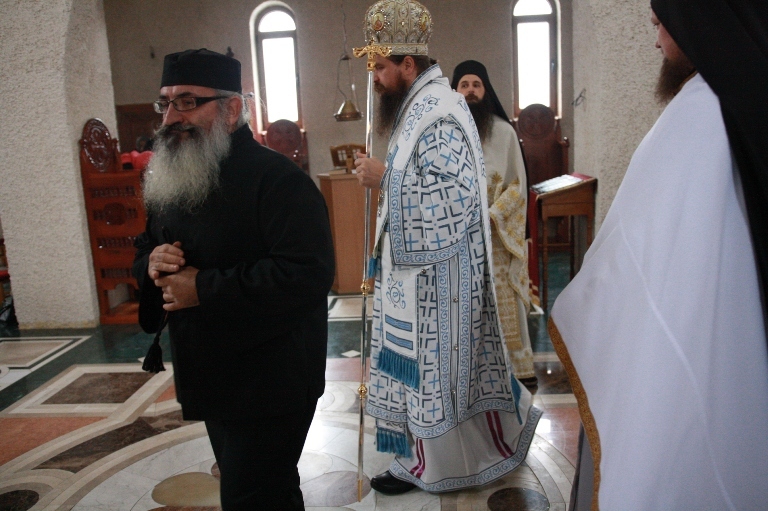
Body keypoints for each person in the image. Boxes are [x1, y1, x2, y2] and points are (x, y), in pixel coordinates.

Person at [550, 2, 768, 509]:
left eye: (659, 26)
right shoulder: (750, 94)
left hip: (695, 339)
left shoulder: (701, 110)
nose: (656, 42)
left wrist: (584, 297)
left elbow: (635, 246)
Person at [132, 48, 335, 511]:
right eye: (166, 102)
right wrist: (152, 263)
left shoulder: (278, 180)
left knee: (251, 497)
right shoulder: (174, 174)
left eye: (188, 102)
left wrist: (201, 288)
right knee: (264, 492)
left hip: (271, 379)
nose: (171, 116)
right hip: (211, 372)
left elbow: (307, 273)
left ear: (231, 108)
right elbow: (145, 246)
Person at [353, 0, 541, 496]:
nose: (375, 78)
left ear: (407, 64)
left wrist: (386, 178)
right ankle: (413, 458)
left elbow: (455, 200)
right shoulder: (418, 107)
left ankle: (436, 467)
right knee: (411, 375)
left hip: (439, 279)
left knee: (433, 379)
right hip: (411, 275)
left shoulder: (441, 110)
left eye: (380, 67)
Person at [451, 60, 537, 387]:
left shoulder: (504, 132)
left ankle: (515, 370)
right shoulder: (445, 133)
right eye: (464, 85)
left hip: (497, 238)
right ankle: (468, 372)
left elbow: (517, 185)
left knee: (503, 303)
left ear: (486, 90)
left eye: (477, 84)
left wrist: (493, 215)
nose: (471, 90)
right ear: (455, 91)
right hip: (458, 237)